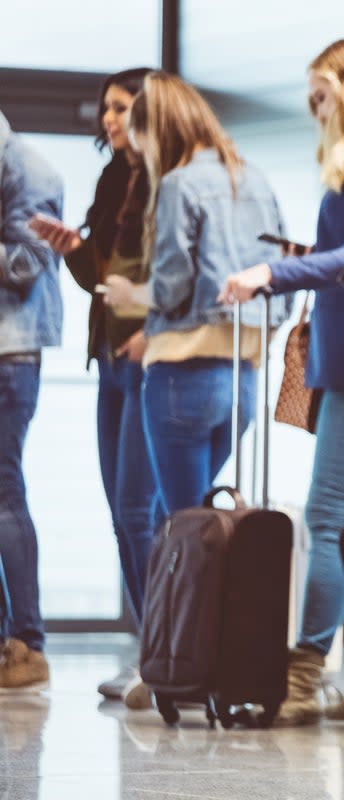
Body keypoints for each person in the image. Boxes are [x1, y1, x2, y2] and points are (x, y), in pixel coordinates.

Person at [220, 39, 344, 726]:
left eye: (320, 93)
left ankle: (304, 673)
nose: (311, 107)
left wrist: (277, 273)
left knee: (328, 517)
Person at [29, 67, 163, 706]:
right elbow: (101, 281)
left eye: (120, 107)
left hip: (155, 360)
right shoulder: (115, 178)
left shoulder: (171, 181)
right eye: (105, 110)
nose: (108, 119)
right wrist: (73, 247)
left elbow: (176, 277)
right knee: (121, 511)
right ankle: (153, 648)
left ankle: (166, 653)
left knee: (141, 511)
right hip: (111, 357)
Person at [104, 73, 289, 517]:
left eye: (142, 141)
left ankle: (171, 593)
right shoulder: (254, 179)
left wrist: (131, 293)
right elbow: (280, 275)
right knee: (203, 525)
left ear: (156, 133)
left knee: (178, 527)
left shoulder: (178, 184)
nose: (143, 155)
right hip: (242, 379)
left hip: (181, 376)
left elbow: (170, 289)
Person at [0, 110, 64, 692]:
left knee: (4, 492)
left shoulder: (31, 170)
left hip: (10, 355)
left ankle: (29, 643)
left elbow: (25, 263)